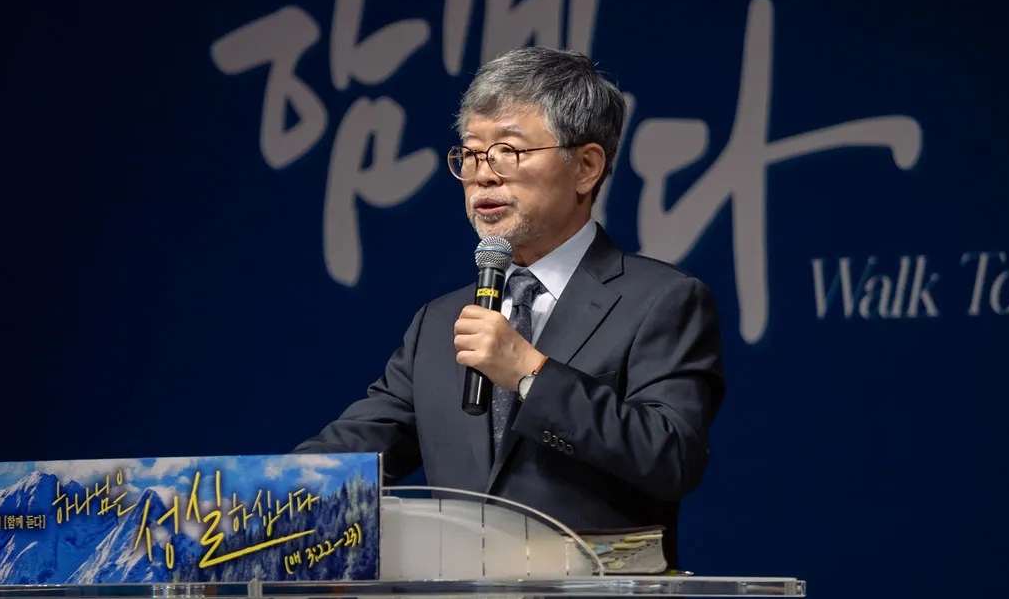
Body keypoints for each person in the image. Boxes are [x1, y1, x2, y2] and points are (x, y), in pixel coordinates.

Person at [294, 46, 725, 568]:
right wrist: (243, 499)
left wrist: (530, 374)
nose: (483, 175)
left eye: (508, 151)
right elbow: (358, 448)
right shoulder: (439, 322)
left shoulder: (661, 300)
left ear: (586, 167)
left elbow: (672, 455)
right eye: (471, 154)